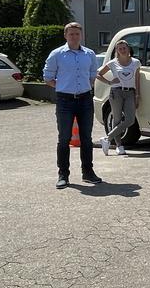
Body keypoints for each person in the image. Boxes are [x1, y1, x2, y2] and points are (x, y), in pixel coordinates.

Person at [43, 22, 102, 189]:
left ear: (81, 35)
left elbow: (92, 75)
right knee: (64, 139)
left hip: (84, 99)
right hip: (64, 101)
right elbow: (48, 77)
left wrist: (82, 88)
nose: (74, 36)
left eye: (77, 33)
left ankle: (88, 172)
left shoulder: (89, 54)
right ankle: (63, 175)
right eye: (71, 34)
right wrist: (63, 87)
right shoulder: (57, 54)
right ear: (65, 36)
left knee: (86, 138)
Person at [96, 40, 141, 156]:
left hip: (130, 92)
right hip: (116, 92)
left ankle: (107, 138)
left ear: (128, 48)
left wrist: (137, 95)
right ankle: (119, 146)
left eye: (124, 48)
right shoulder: (112, 63)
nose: (122, 50)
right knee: (116, 119)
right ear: (117, 51)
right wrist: (109, 82)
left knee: (130, 119)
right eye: (119, 48)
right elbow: (98, 74)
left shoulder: (136, 62)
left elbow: (137, 80)